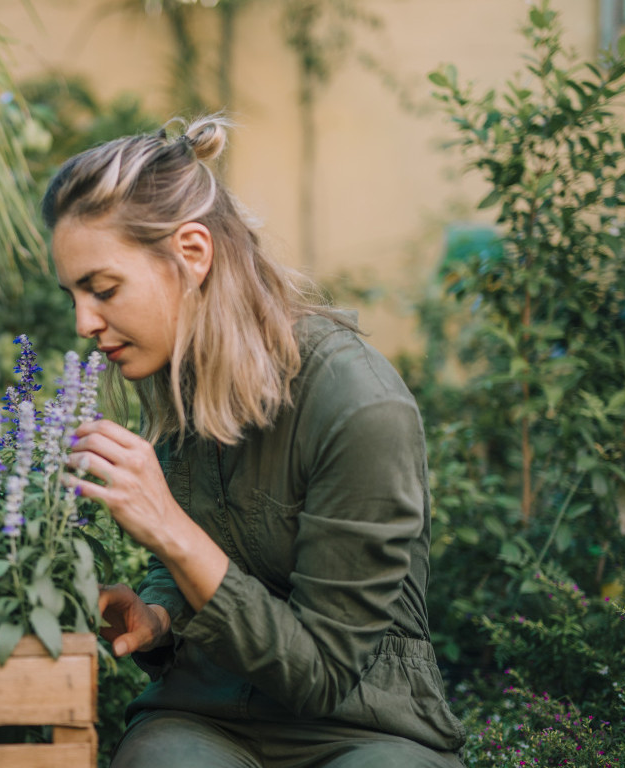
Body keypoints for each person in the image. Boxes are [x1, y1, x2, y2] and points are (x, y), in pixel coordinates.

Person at [43, 115, 467, 768]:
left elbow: (324, 675)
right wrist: (157, 616)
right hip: (206, 719)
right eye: (74, 294)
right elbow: (190, 565)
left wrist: (168, 527)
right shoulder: (171, 372)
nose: (84, 322)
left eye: (102, 289)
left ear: (191, 253)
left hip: (366, 726)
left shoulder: (360, 405)